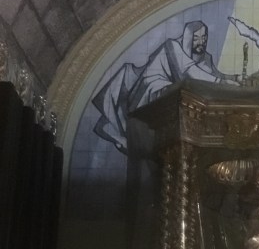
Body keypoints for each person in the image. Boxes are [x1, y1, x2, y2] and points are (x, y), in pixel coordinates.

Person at [92, 21, 239, 152]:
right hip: (153, 87)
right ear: (188, 38)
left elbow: (213, 75)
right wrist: (221, 82)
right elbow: (189, 72)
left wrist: (233, 78)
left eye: (204, 37)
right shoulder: (172, 46)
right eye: (196, 38)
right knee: (180, 93)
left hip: (177, 92)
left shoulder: (205, 57)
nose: (201, 41)